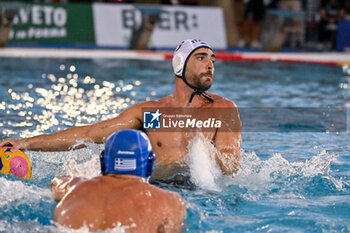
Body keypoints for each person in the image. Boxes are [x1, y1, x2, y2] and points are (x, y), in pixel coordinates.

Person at [0, 39, 242, 179]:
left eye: (212, 59)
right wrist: (26, 143)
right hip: (154, 189)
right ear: (179, 65)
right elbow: (90, 134)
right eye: (201, 58)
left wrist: (196, 155)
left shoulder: (222, 110)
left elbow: (231, 167)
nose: (210, 64)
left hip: (204, 195)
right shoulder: (153, 114)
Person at [52, 129, 187, 232]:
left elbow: (56, 182)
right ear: (149, 162)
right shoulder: (170, 202)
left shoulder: (73, 187)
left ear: (103, 160)